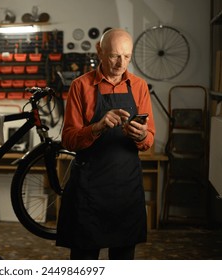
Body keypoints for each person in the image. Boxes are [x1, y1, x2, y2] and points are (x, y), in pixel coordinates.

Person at [56, 28, 155, 260]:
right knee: (83, 263)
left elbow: (149, 139)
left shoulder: (139, 87)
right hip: (89, 190)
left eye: (127, 56)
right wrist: (97, 128)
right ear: (99, 51)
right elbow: (68, 140)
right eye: (114, 56)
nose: (121, 63)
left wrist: (140, 135)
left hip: (126, 191)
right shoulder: (80, 86)